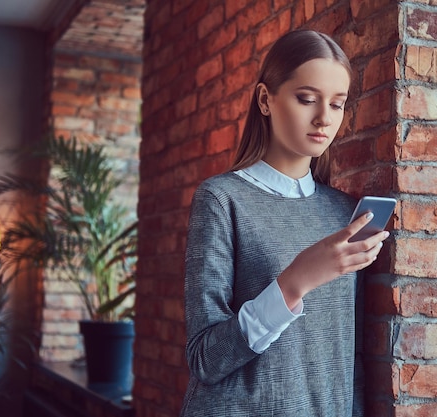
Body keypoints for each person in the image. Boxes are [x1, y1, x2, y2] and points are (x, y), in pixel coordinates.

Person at [181, 30, 390, 417]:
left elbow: (350, 359)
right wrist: (295, 281)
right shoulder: (221, 200)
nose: (324, 117)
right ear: (266, 99)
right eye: (306, 99)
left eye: (338, 103)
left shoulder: (345, 212)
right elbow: (205, 359)